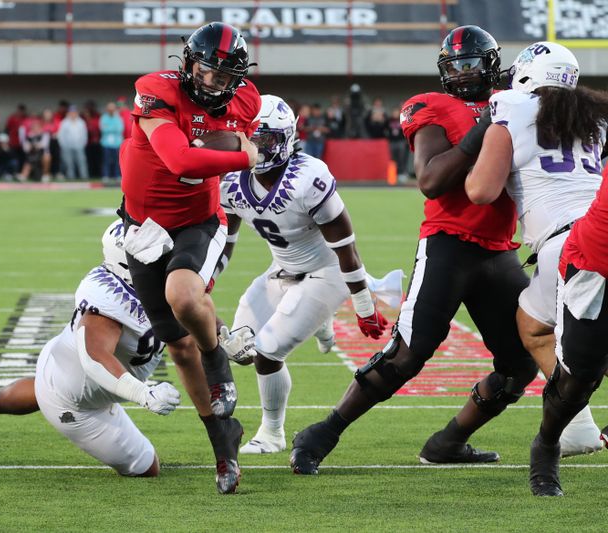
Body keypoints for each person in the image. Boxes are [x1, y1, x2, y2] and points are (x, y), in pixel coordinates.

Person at [290, 26, 539, 474]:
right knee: (410, 352)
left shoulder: (517, 100)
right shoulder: (435, 106)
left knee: (521, 362)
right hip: (449, 242)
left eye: (471, 65)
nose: (463, 75)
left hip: (500, 249)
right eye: (455, 66)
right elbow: (429, 180)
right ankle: (321, 433)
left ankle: (449, 441)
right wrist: (484, 126)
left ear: (493, 65)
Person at [119, 21, 260, 494]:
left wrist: (219, 147)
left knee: (183, 294)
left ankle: (218, 363)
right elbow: (180, 161)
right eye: (206, 71)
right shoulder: (154, 90)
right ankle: (224, 440)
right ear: (188, 63)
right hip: (143, 228)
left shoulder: (246, 101)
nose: (212, 83)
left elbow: (205, 152)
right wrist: (243, 155)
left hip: (199, 221)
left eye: (224, 77)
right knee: (177, 347)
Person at [217, 95, 392, 454]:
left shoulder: (307, 178)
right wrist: (204, 281)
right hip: (281, 269)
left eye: (264, 139)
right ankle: (320, 323)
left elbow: (346, 248)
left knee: (267, 352)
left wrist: (363, 305)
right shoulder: (232, 179)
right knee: (241, 348)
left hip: (326, 272)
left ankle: (272, 432)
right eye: (250, 137)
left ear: (285, 139)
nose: (256, 147)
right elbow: (224, 240)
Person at [0, 220, 180, 478]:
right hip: (77, 402)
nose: (163, 259)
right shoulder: (111, 303)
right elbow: (95, 358)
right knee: (147, 467)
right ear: (127, 264)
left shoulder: (132, 282)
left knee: (44, 387)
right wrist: (144, 394)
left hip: (61, 364)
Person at [465, 42, 607, 460]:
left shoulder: (510, 110)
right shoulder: (593, 120)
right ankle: (578, 426)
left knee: (536, 327)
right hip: (598, 225)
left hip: (566, 244)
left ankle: (576, 427)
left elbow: (480, 191)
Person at [57, 105, 89, 180]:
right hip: (67, 146)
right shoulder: (64, 122)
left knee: (81, 161)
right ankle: (71, 177)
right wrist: (63, 145)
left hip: (79, 145)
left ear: (77, 113)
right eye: (71, 112)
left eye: (74, 112)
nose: (73, 114)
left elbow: (84, 134)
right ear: (68, 113)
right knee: (69, 163)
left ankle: (84, 177)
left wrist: (83, 144)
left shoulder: (81, 122)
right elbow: (61, 135)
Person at [100, 101, 124, 182]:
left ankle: (117, 176)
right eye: (109, 108)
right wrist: (113, 128)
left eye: (112, 108)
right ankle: (106, 176)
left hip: (117, 143)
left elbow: (120, 129)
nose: (111, 110)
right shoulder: (104, 118)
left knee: (117, 161)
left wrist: (109, 127)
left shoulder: (118, 118)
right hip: (106, 143)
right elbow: (103, 129)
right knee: (106, 161)